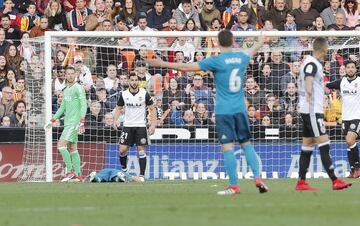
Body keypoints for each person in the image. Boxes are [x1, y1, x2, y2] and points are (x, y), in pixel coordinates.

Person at [147, 30, 268, 195]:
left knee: (228, 147)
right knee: (246, 144)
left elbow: (187, 67)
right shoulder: (241, 57)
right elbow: (253, 49)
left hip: (224, 110)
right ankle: (258, 178)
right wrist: (261, 40)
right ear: (233, 41)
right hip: (240, 109)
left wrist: (163, 64)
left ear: (217, 43)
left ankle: (234, 186)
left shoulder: (215, 61)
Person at [296, 37, 351, 191]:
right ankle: (334, 180)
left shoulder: (312, 62)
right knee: (324, 142)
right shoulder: (312, 63)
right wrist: (308, 92)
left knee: (307, 145)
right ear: (324, 49)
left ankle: (301, 182)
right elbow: (308, 77)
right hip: (312, 110)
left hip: (310, 110)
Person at [112, 72, 156, 181]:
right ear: (129, 81)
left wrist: (153, 124)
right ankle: (125, 172)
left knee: (141, 151)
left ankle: (141, 176)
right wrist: (115, 120)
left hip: (141, 126)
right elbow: (118, 108)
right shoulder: (124, 94)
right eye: (132, 80)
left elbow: (152, 108)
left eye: (136, 80)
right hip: (127, 126)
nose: (134, 82)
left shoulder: (144, 93)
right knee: (122, 150)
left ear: (138, 81)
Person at [50, 66, 88, 182]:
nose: (70, 75)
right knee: (73, 149)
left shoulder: (78, 87)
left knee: (61, 145)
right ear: (65, 75)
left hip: (74, 123)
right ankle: (78, 175)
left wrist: (81, 120)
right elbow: (62, 108)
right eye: (68, 74)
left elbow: (84, 104)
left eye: (72, 73)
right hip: (68, 123)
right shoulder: (65, 90)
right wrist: (53, 119)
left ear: (75, 75)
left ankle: (70, 171)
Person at [326, 60, 360, 178]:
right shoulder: (342, 82)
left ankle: (358, 167)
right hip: (345, 118)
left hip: (357, 117)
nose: (350, 69)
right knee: (349, 144)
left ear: (356, 69)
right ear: (345, 70)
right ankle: (352, 170)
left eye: (352, 67)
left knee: (350, 140)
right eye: (348, 67)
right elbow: (328, 85)